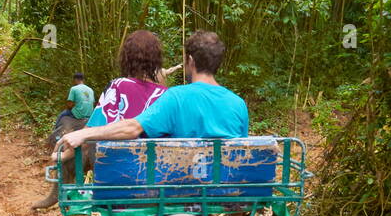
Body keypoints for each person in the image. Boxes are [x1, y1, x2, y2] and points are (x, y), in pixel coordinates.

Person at [56, 31, 247, 158]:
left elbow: (133, 128)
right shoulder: (238, 104)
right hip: (226, 192)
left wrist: (85, 133)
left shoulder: (175, 97)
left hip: (179, 188)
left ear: (190, 61)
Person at [84, 30, 167, 129]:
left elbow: (92, 131)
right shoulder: (166, 94)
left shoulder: (118, 86)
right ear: (156, 59)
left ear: (127, 58)